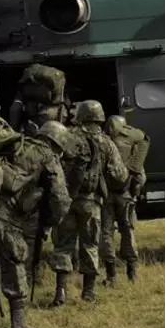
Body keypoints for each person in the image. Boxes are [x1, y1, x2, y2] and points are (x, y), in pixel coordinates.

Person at [0, 113, 69, 328]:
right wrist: (49, 222)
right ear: (58, 144)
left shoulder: (15, 144)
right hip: (9, 217)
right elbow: (60, 199)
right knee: (15, 262)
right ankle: (19, 325)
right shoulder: (48, 156)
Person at [50, 100, 127, 305]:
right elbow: (120, 175)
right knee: (90, 244)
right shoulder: (106, 142)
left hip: (66, 200)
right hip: (91, 202)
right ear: (100, 118)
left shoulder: (67, 137)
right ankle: (89, 292)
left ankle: (60, 293)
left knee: (63, 245)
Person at [101, 114, 150, 284]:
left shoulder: (103, 144)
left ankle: (111, 275)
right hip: (126, 195)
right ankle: (132, 272)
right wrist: (135, 191)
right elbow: (140, 177)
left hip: (106, 196)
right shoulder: (131, 148)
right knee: (128, 231)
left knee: (106, 233)